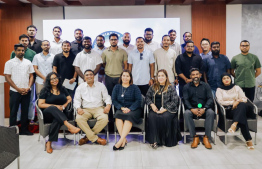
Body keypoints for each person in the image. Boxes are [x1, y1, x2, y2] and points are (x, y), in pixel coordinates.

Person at [38, 72, 80, 154]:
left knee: (56, 119)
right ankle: (68, 125)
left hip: (59, 114)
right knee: (53, 108)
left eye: (56, 78)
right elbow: (40, 104)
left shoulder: (62, 88)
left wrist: (64, 106)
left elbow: (69, 99)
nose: (54, 80)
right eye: (52, 79)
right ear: (49, 81)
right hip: (47, 113)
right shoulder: (45, 90)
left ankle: (49, 142)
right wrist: (55, 106)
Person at [216, 73, 255, 150]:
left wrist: (237, 102)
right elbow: (220, 101)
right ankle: (248, 140)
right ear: (222, 80)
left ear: (230, 79)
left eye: (228, 78)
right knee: (242, 114)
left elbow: (244, 99)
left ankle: (235, 123)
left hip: (239, 108)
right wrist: (233, 102)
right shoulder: (219, 89)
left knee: (242, 105)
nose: (226, 80)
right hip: (229, 110)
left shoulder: (236, 87)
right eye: (224, 78)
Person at [145, 69, 182, 148]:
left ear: (166, 77)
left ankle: (164, 141)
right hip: (155, 109)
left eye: (162, 76)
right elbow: (147, 97)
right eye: (159, 76)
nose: (160, 78)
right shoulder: (153, 87)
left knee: (164, 117)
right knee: (152, 117)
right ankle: (154, 141)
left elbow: (175, 101)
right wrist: (152, 105)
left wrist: (165, 109)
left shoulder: (171, 87)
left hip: (168, 110)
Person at [74, 69, 111, 146]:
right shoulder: (80, 87)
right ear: (84, 77)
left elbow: (107, 97)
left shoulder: (101, 85)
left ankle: (87, 138)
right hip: (85, 109)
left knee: (105, 118)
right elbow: (76, 100)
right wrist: (78, 108)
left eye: (91, 74)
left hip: (99, 108)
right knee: (79, 118)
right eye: (87, 75)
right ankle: (96, 139)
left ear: (94, 76)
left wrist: (108, 105)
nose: (89, 76)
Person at [4, 44, 34, 135]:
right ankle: (12, 131)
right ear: (15, 51)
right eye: (19, 50)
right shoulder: (9, 63)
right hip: (15, 91)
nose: (21, 52)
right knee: (13, 111)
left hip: (26, 91)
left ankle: (24, 130)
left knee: (25, 111)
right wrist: (18, 89)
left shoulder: (28, 62)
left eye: (23, 50)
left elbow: (32, 75)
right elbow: (7, 78)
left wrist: (28, 87)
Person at [183, 68, 215, 149]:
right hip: (192, 109)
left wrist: (204, 108)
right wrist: (191, 109)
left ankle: (206, 137)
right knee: (186, 113)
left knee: (211, 112)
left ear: (200, 75)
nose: (195, 76)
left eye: (197, 74)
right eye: (193, 75)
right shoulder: (186, 87)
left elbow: (210, 98)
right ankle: (194, 137)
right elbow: (185, 100)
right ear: (190, 76)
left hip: (204, 109)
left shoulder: (206, 85)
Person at [112, 70, 142, 150]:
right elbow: (114, 100)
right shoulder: (117, 87)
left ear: (130, 78)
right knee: (117, 116)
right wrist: (122, 108)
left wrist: (130, 109)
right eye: (124, 76)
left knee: (128, 117)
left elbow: (139, 100)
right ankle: (124, 140)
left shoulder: (135, 87)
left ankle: (120, 141)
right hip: (121, 108)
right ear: (121, 77)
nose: (125, 78)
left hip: (134, 109)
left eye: (127, 76)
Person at [10, 34, 36, 124]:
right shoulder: (13, 53)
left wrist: (29, 86)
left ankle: (30, 118)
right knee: (17, 105)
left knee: (31, 102)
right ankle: (17, 119)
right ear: (19, 41)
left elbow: (33, 71)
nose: (24, 42)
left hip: (29, 81)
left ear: (28, 42)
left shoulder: (32, 53)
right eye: (22, 40)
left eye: (26, 41)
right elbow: (11, 69)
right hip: (17, 83)